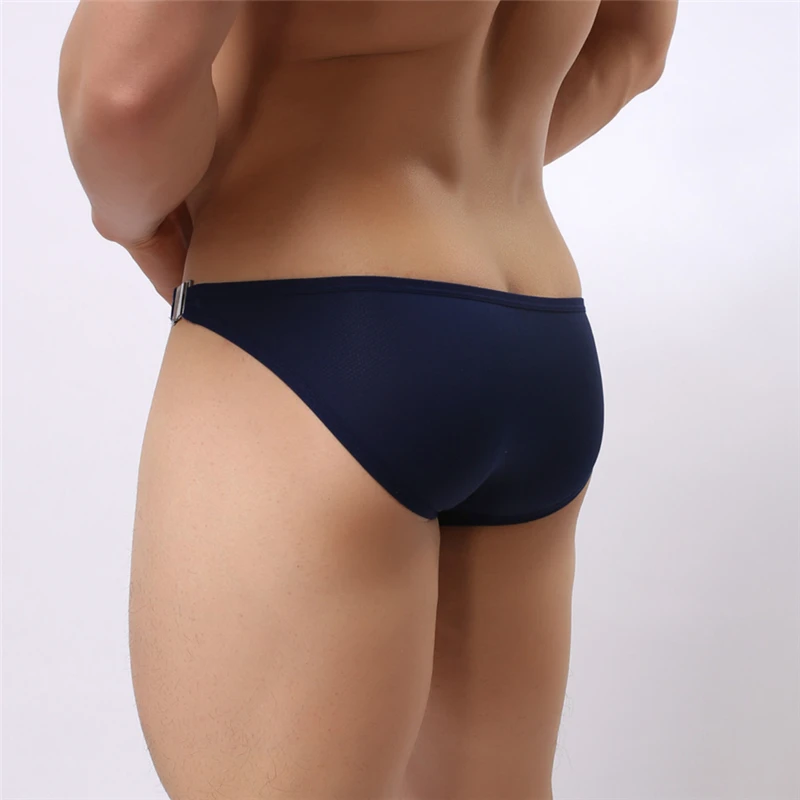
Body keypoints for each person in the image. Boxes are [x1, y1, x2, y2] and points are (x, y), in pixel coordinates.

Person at [58, 2, 678, 798]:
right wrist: (446, 162)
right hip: (536, 327)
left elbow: (123, 96)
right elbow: (635, 43)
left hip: (316, 327)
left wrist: (146, 229)